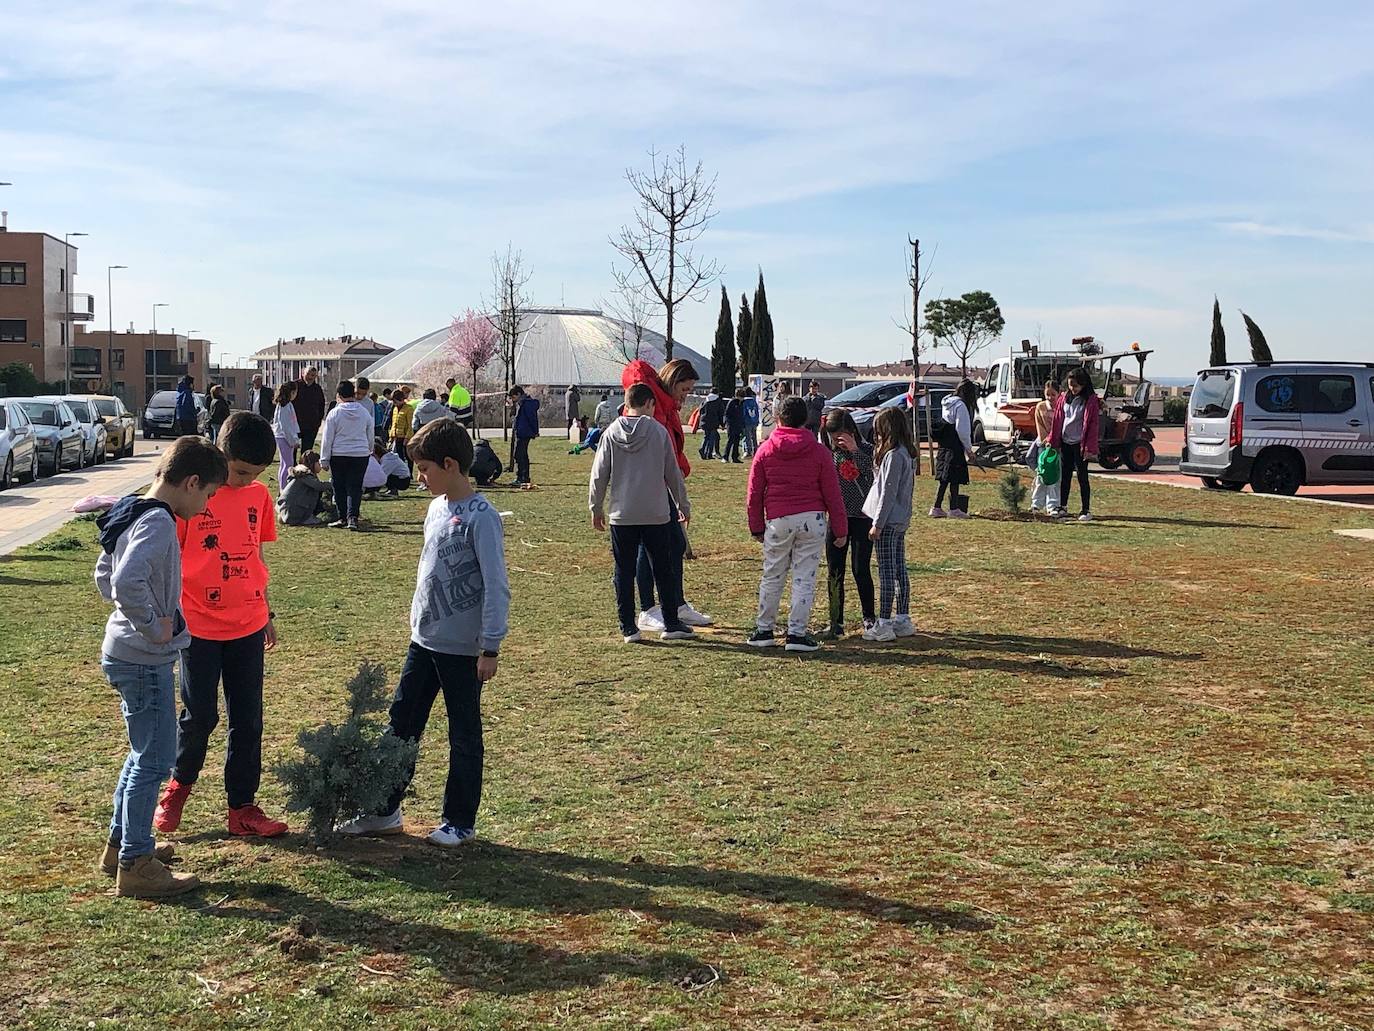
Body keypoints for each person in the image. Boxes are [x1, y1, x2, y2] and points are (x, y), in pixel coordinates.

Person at [337, 420, 509, 847]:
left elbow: (495, 584)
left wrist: (490, 645)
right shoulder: (435, 508)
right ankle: (383, 810)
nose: (420, 476)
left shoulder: (483, 519)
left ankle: (459, 820)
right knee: (401, 725)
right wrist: (417, 617)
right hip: (424, 641)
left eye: (426, 468)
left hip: (463, 649)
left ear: (450, 464)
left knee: (463, 732)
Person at [95, 436, 228, 898]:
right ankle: (136, 864)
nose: (207, 503)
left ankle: (123, 844)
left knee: (141, 754)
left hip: (123, 650)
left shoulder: (132, 508)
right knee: (155, 759)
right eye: (209, 494)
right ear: (191, 482)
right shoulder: (158, 524)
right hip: (143, 657)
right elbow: (127, 581)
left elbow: (104, 573)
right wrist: (156, 627)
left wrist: (140, 617)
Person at [152, 413, 289, 841]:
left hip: (247, 622)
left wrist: (264, 607)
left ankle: (242, 807)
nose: (247, 481)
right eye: (241, 472)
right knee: (200, 716)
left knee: (248, 719)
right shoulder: (192, 495)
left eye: (256, 475)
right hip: (198, 626)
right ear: (219, 452)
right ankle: (176, 790)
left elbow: (254, 556)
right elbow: (167, 563)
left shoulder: (258, 496)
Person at [589, 382, 696, 644]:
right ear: (649, 404)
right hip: (656, 513)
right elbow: (672, 473)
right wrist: (683, 505)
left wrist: (596, 507)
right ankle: (671, 622)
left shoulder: (611, 433)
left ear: (626, 404)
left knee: (623, 571)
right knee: (663, 568)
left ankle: (628, 627)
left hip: (621, 514)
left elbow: (599, 474)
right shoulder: (658, 432)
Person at [745, 395, 847, 652]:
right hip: (812, 520)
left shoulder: (766, 449)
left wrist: (756, 526)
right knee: (804, 577)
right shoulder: (820, 452)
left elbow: (754, 493)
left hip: (778, 520)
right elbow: (833, 493)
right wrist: (841, 528)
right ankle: (796, 634)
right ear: (806, 420)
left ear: (779, 418)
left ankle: (764, 629)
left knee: (772, 575)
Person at [620, 357, 712, 631]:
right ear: (673, 381)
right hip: (650, 489)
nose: (686, 396)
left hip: (662, 486)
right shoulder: (651, 407)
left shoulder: (665, 406)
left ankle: (675, 604)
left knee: (672, 545)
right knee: (650, 548)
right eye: (684, 389)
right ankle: (648, 608)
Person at [819, 409, 876, 638]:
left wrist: (855, 451)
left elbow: (875, 478)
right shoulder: (829, 455)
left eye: (841, 437)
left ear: (852, 432)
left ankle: (869, 618)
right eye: (834, 438)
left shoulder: (869, 451)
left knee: (860, 569)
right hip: (838, 518)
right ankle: (836, 620)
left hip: (863, 518)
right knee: (835, 571)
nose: (838, 442)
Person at [862, 407, 917, 643]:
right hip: (900, 519)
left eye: (879, 430)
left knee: (886, 571)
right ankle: (902, 618)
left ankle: (883, 622)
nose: (876, 435)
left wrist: (877, 523)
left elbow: (887, 492)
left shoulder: (894, 456)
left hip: (888, 521)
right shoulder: (906, 453)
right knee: (898, 569)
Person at [320, 379, 375, 531]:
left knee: (339, 487)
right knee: (355, 487)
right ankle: (353, 517)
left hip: (339, 454)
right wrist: (369, 449)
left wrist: (324, 459)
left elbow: (327, 437)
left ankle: (342, 517)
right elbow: (370, 433)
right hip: (360, 454)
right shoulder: (364, 412)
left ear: (339, 395)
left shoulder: (335, 413)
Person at [1048, 366, 1101, 522]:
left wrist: (1089, 448)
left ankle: (1085, 509)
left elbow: (1093, 425)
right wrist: (1053, 439)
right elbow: (1057, 420)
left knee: (1082, 477)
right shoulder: (1064, 397)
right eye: (1070, 385)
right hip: (1066, 442)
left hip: (1080, 444)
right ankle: (1062, 506)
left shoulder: (1090, 400)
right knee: (1065, 476)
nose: (1073, 388)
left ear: (1084, 385)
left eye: (1076, 386)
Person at [932, 380, 978, 519]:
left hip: (945, 445)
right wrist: (969, 450)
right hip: (955, 446)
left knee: (945, 478)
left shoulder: (947, 402)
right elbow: (962, 430)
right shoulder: (960, 406)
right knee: (955, 477)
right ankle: (954, 508)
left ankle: (936, 507)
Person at [1028, 380, 1062, 515]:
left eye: (1053, 394)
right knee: (1041, 475)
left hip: (1058, 446)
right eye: (1048, 394)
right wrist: (1046, 441)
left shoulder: (1062, 406)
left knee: (1055, 477)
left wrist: (1056, 441)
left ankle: (1053, 505)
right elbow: (1040, 426)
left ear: (1059, 394)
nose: (1050, 398)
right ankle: (1036, 504)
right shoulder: (1040, 407)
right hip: (1044, 445)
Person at [277, 451, 334, 526]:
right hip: (294, 511)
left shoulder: (302, 474)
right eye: (319, 463)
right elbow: (319, 486)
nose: (321, 466)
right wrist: (334, 483)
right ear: (312, 463)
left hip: (288, 509)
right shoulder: (304, 474)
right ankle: (302, 518)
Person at [508, 385, 541, 487]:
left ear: (518, 394)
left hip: (524, 433)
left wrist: (535, 431)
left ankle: (522, 477)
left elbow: (532, 418)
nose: (513, 400)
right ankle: (523, 476)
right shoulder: (521, 403)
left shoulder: (526, 404)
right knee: (521, 455)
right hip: (521, 432)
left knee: (519, 455)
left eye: (513, 397)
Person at [271, 381, 300, 491]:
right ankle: (284, 488)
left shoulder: (286, 405)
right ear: (292, 392)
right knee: (288, 464)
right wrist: (293, 441)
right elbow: (286, 426)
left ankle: (283, 487)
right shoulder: (284, 406)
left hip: (283, 436)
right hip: (284, 437)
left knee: (285, 463)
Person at [294, 367, 327, 452]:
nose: (310, 377)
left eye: (312, 375)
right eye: (308, 374)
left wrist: (318, 421)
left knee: (307, 450)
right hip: (295, 423)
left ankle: (305, 464)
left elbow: (321, 405)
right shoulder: (295, 386)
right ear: (303, 373)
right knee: (292, 449)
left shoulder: (317, 389)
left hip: (311, 425)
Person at [389, 386, 415, 474]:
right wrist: (392, 435)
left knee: (408, 456)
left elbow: (410, 425)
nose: (394, 403)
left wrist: (407, 438)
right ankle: (402, 472)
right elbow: (393, 423)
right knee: (399, 456)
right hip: (397, 436)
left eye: (395, 401)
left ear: (401, 399)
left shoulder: (409, 409)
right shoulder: (395, 409)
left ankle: (410, 473)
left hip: (405, 437)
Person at [697, 391, 723, 460]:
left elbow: (700, 410)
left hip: (704, 421)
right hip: (713, 422)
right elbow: (720, 413)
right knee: (712, 438)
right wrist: (722, 423)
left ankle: (703, 449)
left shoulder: (705, 400)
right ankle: (709, 453)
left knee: (706, 437)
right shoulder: (717, 401)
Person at [723, 389, 746, 463]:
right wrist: (727, 423)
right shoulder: (732, 402)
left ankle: (735, 457)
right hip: (731, 424)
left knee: (736, 441)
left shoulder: (741, 403)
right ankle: (725, 457)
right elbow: (727, 414)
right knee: (730, 440)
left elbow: (741, 414)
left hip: (738, 425)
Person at [742, 387, 760, 456]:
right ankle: (756, 450)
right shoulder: (754, 401)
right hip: (754, 421)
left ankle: (748, 451)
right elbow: (757, 412)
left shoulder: (744, 402)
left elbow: (744, 412)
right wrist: (757, 420)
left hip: (747, 421)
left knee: (747, 437)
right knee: (754, 437)